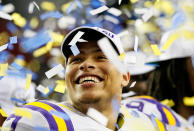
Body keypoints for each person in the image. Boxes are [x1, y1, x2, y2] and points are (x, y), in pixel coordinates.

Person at [1, 26, 193, 131]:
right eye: (76, 60)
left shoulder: (150, 123)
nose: (86, 64)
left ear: (125, 76)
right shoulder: (41, 118)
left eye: (101, 57)